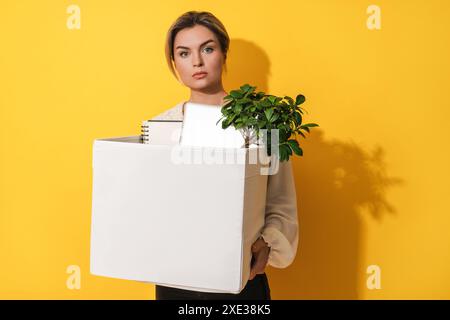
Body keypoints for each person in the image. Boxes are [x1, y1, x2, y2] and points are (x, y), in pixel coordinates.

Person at [152, 11, 299, 300]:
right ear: (174, 63)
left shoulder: (262, 123)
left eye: (207, 49)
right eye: (184, 53)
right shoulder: (160, 128)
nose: (197, 61)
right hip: (174, 279)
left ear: (224, 53)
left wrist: (267, 243)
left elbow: (281, 200)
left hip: (241, 278)